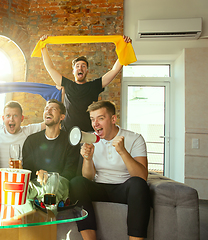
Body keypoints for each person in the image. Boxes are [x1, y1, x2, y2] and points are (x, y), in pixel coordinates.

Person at [69, 100, 150, 240]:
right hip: (99, 187)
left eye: (100, 118)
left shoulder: (135, 138)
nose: (95, 124)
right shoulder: (90, 138)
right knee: (76, 183)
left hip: (123, 188)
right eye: (92, 119)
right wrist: (88, 159)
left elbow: (141, 176)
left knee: (139, 184)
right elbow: (87, 178)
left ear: (113, 119)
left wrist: (123, 152)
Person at [40, 35, 132, 133]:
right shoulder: (67, 85)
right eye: (77, 66)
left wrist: (125, 47)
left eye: (83, 66)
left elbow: (114, 70)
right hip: (67, 133)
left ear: (87, 71)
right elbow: (50, 68)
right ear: (73, 71)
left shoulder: (94, 86)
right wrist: (43, 47)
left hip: (89, 132)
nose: (80, 68)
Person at [18, 99, 80, 183]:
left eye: (53, 109)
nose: (48, 111)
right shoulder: (31, 140)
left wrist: (50, 179)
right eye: (46, 109)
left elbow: (70, 172)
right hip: (35, 185)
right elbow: (28, 170)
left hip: (59, 186)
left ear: (62, 117)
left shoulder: (70, 141)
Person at [0, 100, 45, 171]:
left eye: (15, 116)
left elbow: (48, 123)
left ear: (22, 118)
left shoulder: (27, 131)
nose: (11, 119)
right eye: (8, 116)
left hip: (18, 175)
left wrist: (56, 91)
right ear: (3, 118)